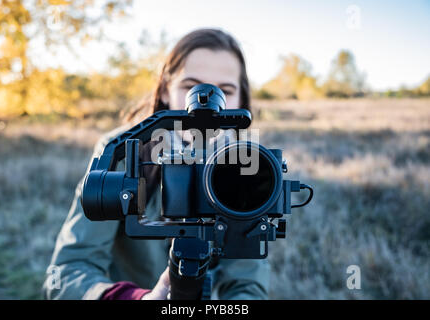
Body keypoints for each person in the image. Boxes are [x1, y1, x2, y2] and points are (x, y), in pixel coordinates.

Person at [43, 28, 270, 300]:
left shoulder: (248, 167)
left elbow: (247, 283)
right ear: (165, 89)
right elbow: (63, 273)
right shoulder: (123, 151)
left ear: (241, 100)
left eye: (225, 91)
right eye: (191, 87)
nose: (207, 105)